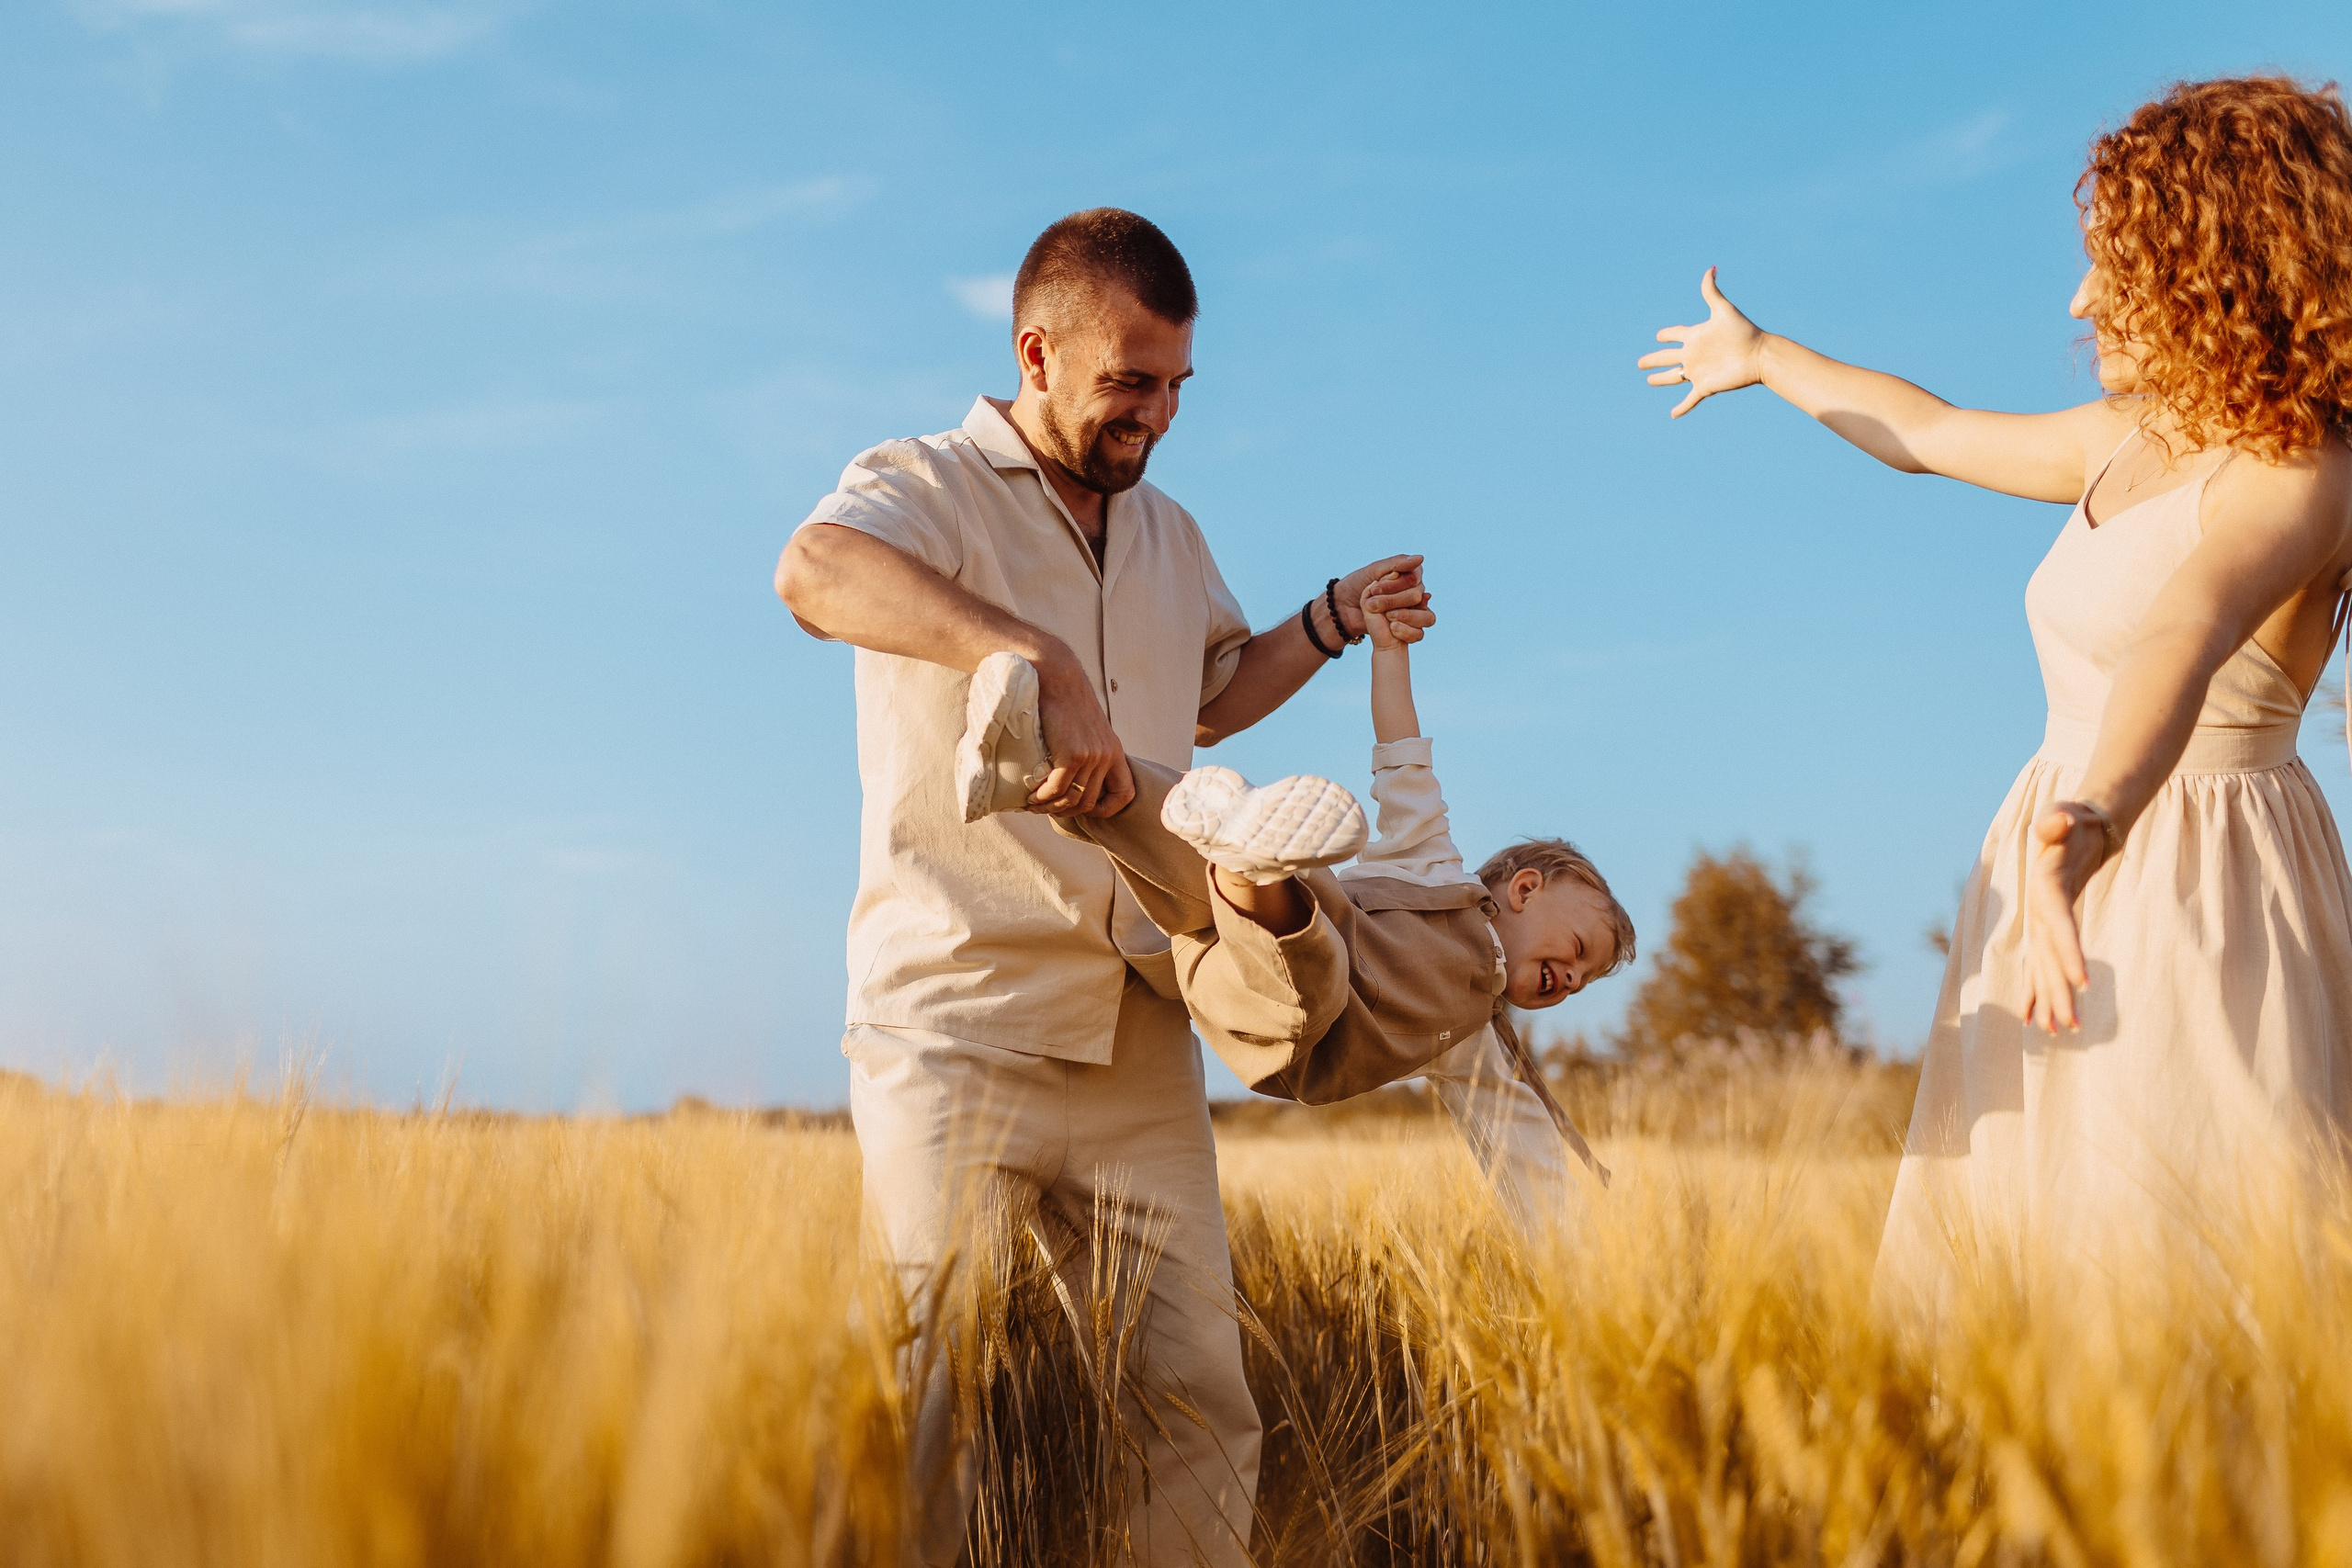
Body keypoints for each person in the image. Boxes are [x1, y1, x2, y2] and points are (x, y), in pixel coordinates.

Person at [776, 207, 1428, 1566]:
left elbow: (1207, 694)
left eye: (1179, 385)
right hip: (954, 1019)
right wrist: (1026, 651)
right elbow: (814, 570)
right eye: (1133, 381)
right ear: (1040, 351)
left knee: (1197, 1396)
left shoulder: (1171, 533)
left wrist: (1324, 619)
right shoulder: (922, 482)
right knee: (924, 1399)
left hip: (1140, 1021)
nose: (1160, 413)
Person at [1641, 75, 2352, 1315]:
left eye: (2116, 266)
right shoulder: (2127, 439)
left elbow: (2180, 635)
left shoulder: (2304, 477)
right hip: (2053, 860)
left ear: (2218, 266)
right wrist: (1764, 357)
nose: (2082, 299)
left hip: (2190, 875)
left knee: (2188, 1263)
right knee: (2035, 1256)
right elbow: (1927, 428)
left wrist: (2095, 821)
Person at [958, 569, 1634, 1222]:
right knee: (1180, 844)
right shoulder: (1432, 865)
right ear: (1523, 889)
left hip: (1283, 1016)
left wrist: (1586, 1237)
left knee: (1311, 962)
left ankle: (1251, 862)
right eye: (1578, 951)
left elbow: (1527, 1147)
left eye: (1583, 980)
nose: (1573, 978)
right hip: (1207, 940)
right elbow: (1403, 754)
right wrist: (1389, 648)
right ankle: (1034, 761)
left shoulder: (1476, 1040)